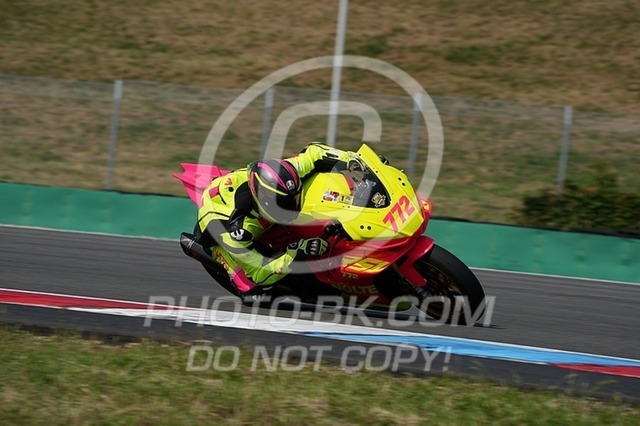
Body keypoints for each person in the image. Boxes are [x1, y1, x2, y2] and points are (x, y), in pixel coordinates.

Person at [195, 142, 351, 300]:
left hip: (239, 185)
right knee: (254, 291)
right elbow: (260, 272)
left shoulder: (287, 173)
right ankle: (237, 279)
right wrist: (297, 251)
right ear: (266, 202)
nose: (292, 207)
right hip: (217, 223)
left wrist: (350, 159)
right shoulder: (240, 230)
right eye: (285, 204)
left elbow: (314, 152)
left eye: (294, 199)